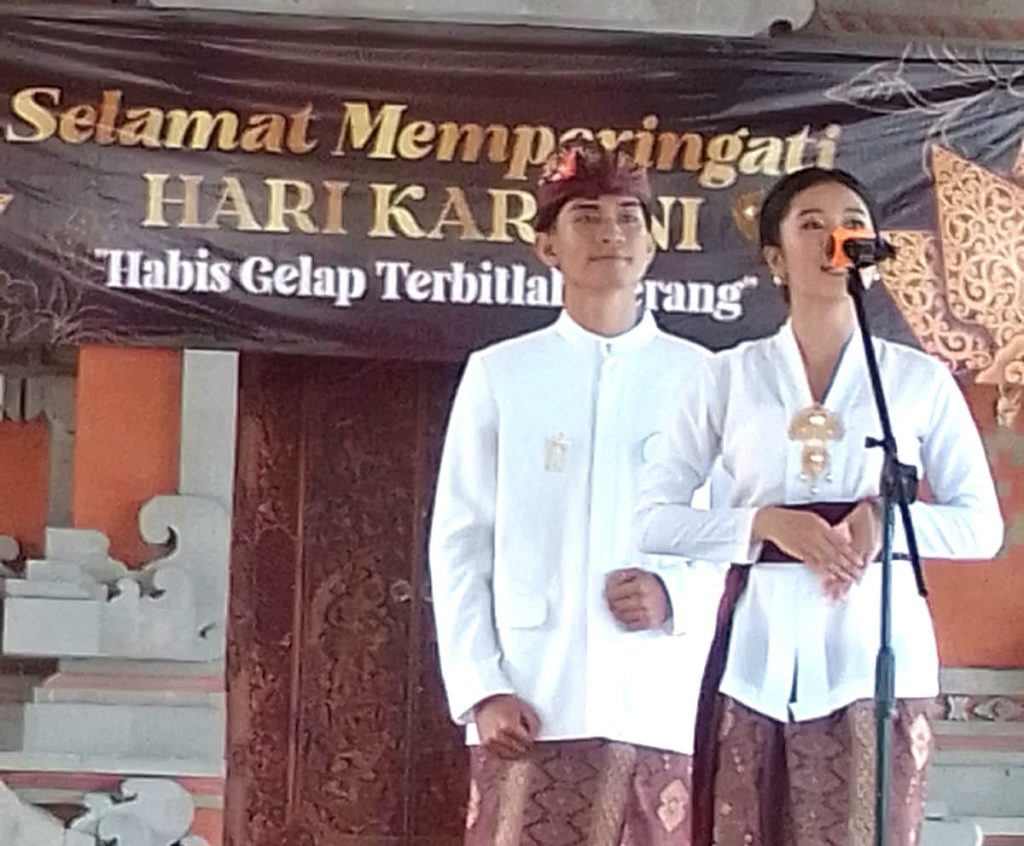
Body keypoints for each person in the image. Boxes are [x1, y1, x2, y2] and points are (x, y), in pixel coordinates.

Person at [635, 166, 1004, 846]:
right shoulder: (727, 375)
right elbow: (654, 518)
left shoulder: (916, 380)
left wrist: (886, 522)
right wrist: (763, 524)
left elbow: (981, 527)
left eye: (852, 224)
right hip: (757, 658)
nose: (836, 237)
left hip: (875, 657)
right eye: (812, 224)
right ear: (775, 258)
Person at [429, 140, 726, 846]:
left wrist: (674, 595)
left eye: (628, 217)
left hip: (652, 694)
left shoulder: (704, 378)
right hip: (532, 695)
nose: (609, 233)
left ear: (652, 245)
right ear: (547, 247)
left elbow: (730, 532)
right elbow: (460, 541)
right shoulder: (502, 373)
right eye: (586, 217)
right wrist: (481, 688)